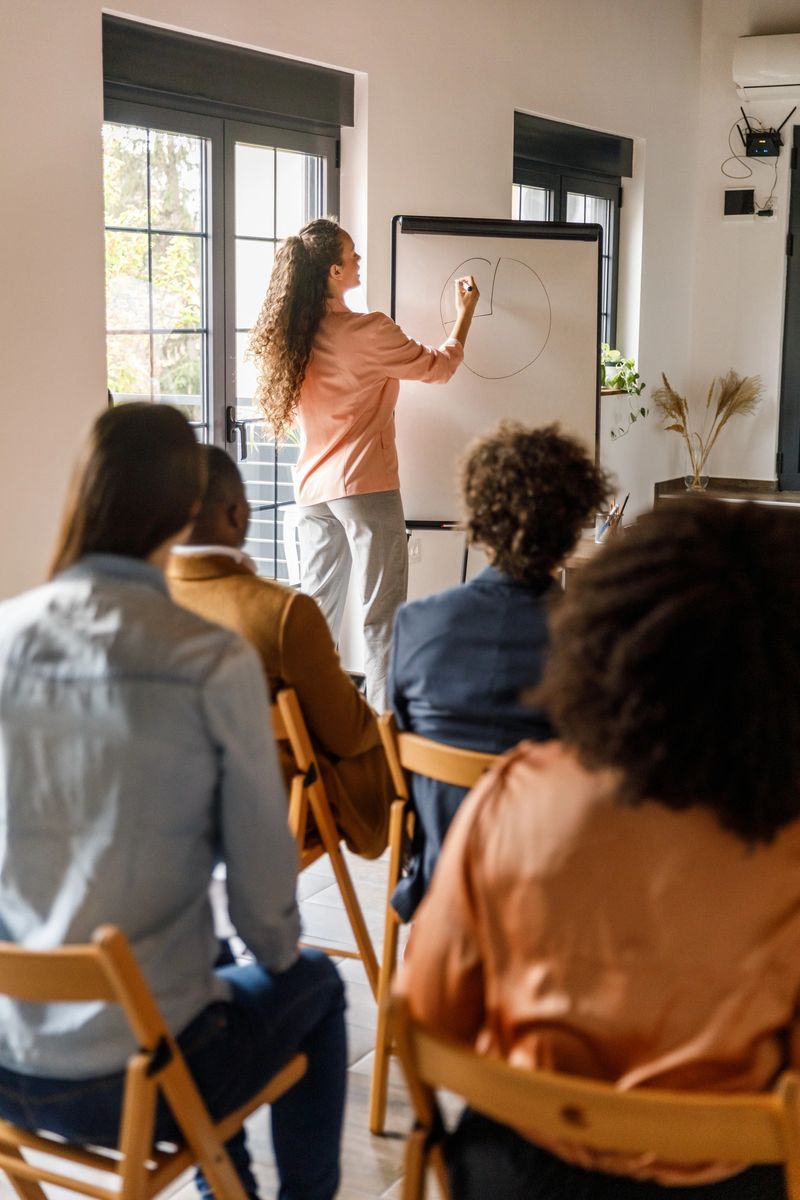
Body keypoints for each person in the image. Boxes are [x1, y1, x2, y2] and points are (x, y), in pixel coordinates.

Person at [399, 498, 800, 1200]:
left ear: (608, 634)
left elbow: (428, 1014)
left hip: (515, 1173)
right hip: (729, 1177)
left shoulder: (516, 794)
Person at [0, 403, 346, 1200]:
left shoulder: (11, 635)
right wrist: (274, 956)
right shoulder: (205, 660)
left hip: (11, 1061)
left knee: (213, 970)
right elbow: (263, 903)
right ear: (186, 509)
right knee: (315, 987)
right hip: (135, 1081)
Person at [248, 216, 479, 712]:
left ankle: (305, 722)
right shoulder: (370, 331)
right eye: (352, 255)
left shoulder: (294, 335)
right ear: (333, 271)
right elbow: (438, 367)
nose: (358, 261)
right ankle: (382, 737)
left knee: (314, 614)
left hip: (312, 488)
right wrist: (465, 314)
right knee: (382, 616)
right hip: (364, 486)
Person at [390, 421, 609, 919]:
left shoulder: (416, 625)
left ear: (477, 518)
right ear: (574, 523)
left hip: (442, 888)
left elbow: (399, 759)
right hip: (558, 897)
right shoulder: (598, 644)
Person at [168, 444, 393, 858]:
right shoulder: (283, 613)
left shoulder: (136, 600)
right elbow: (349, 733)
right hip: (265, 816)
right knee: (381, 741)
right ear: (238, 514)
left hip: (165, 810)